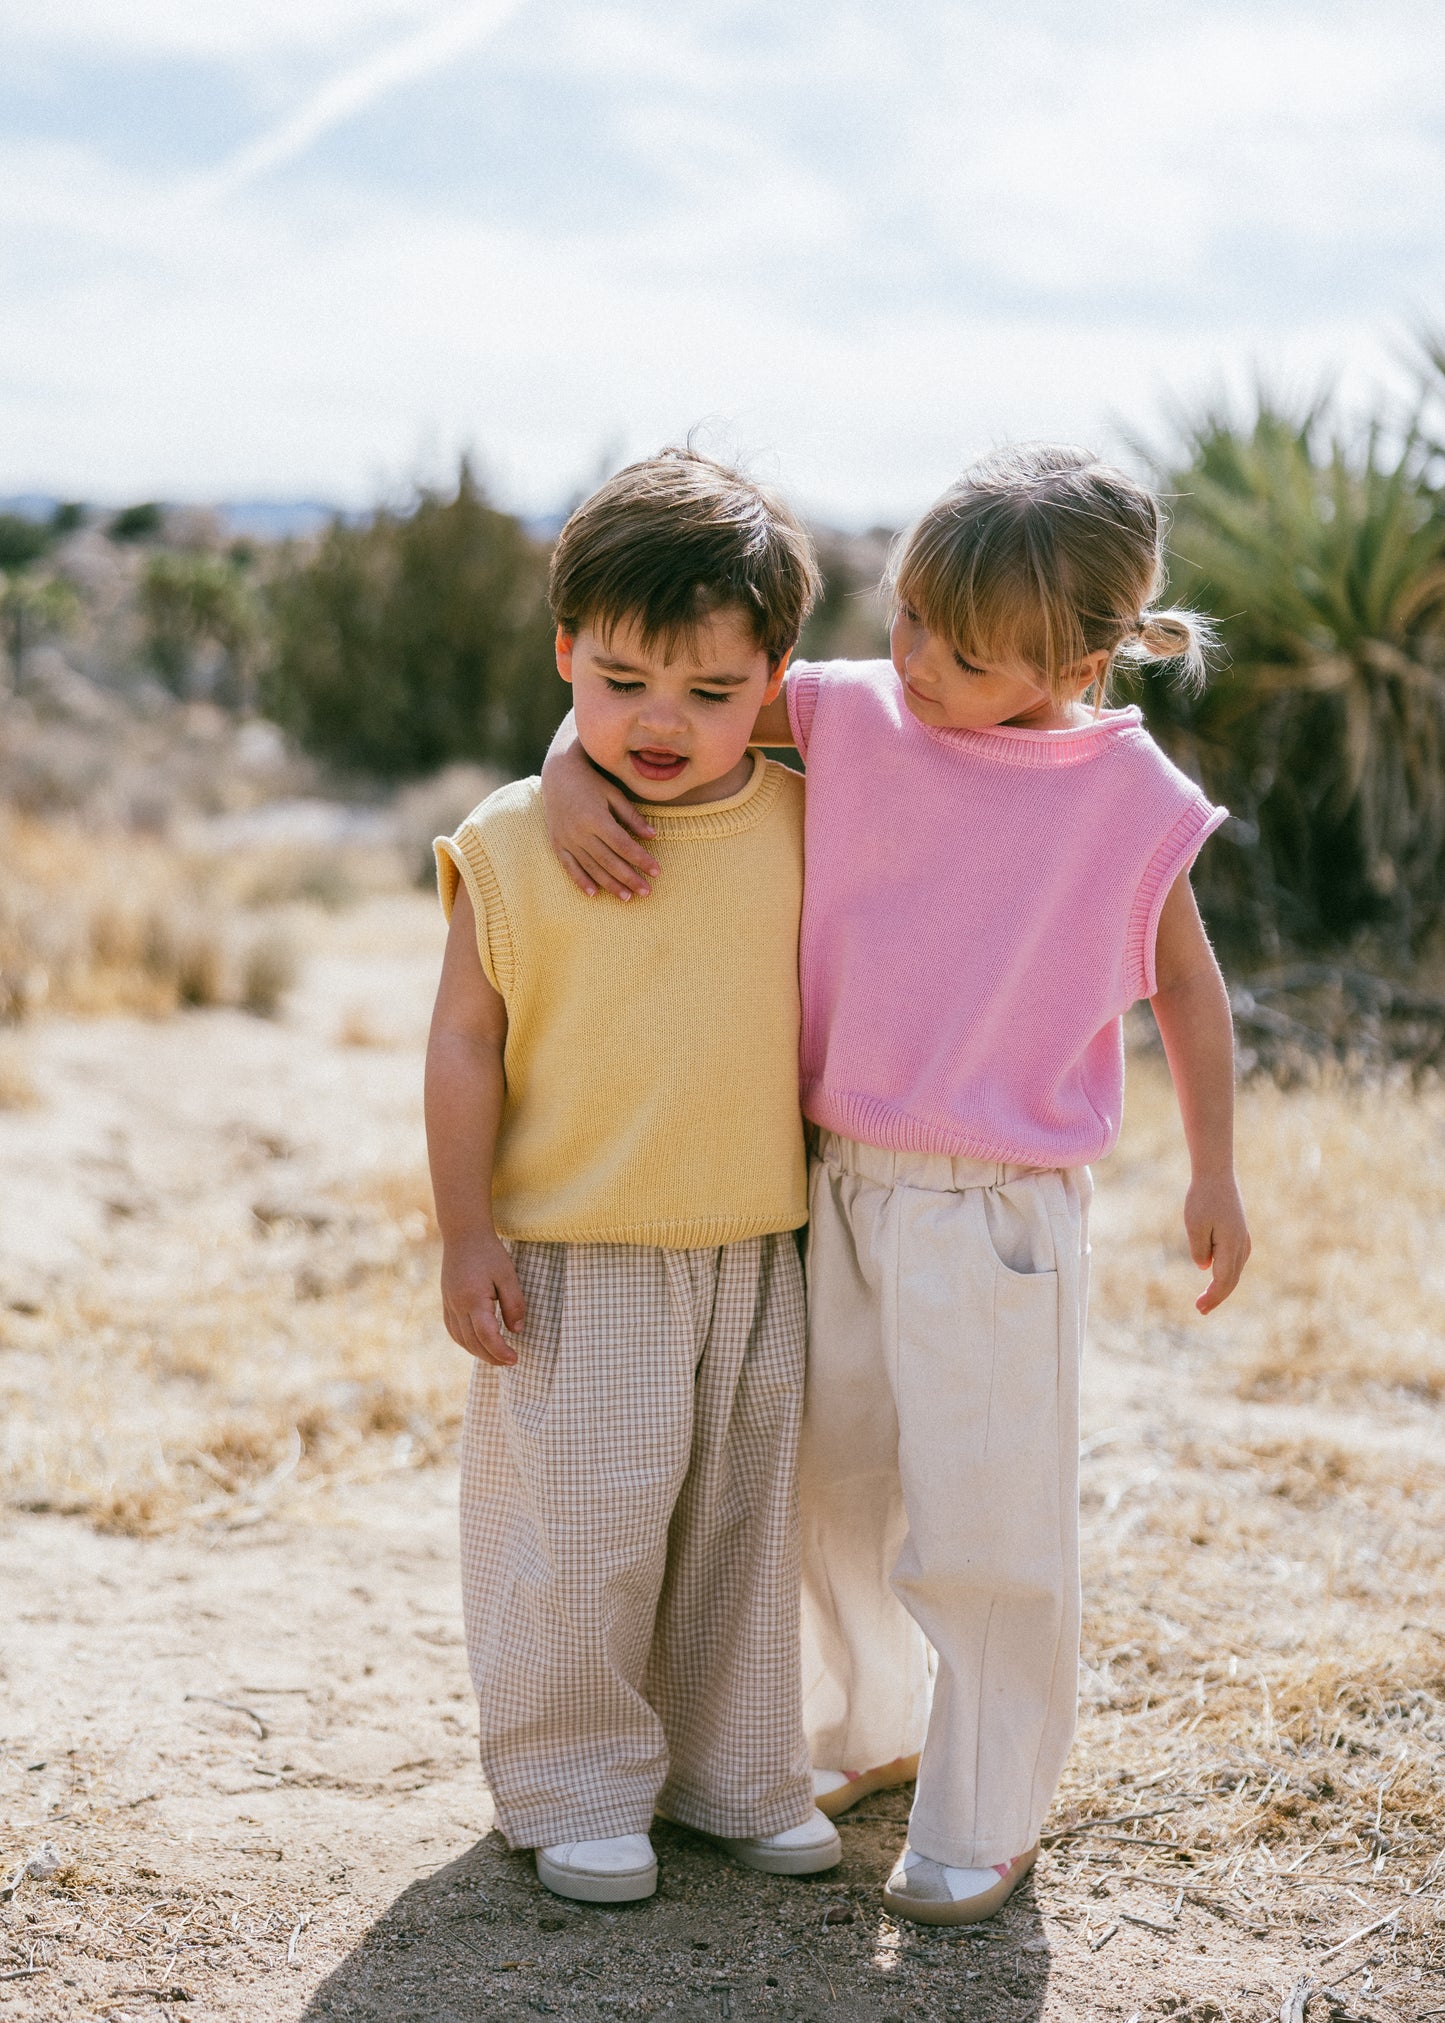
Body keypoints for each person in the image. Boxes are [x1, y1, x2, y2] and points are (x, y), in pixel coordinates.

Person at [540, 443, 1252, 1924]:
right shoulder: (853, 710)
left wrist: (1216, 1172)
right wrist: (559, 768)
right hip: (830, 1185)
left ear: (1078, 662)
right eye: (911, 617)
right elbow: (666, 708)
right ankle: (862, 1731)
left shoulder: (1127, 795)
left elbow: (1186, 984)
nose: (919, 662)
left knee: (987, 1526)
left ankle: (986, 1811)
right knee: (827, 1492)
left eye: (968, 655)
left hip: (996, 1211)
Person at [424, 448, 843, 1906]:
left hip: (758, 1244)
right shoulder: (509, 839)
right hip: (576, 1253)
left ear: (774, 681)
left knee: (742, 1535)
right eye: (619, 684)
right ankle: (576, 1787)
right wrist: (463, 1232)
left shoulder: (806, 817)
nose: (661, 721)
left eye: (712, 692)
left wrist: (582, 742)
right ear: (565, 657)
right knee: (580, 1538)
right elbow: (463, 1043)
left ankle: (738, 1777)